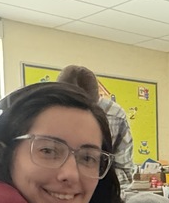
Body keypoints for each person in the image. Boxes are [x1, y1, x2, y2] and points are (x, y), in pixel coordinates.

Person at [57, 63, 135, 193]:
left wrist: (107, 198)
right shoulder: (40, 112)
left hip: (99, 194)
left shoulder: (114, 114)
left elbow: (124, 170)